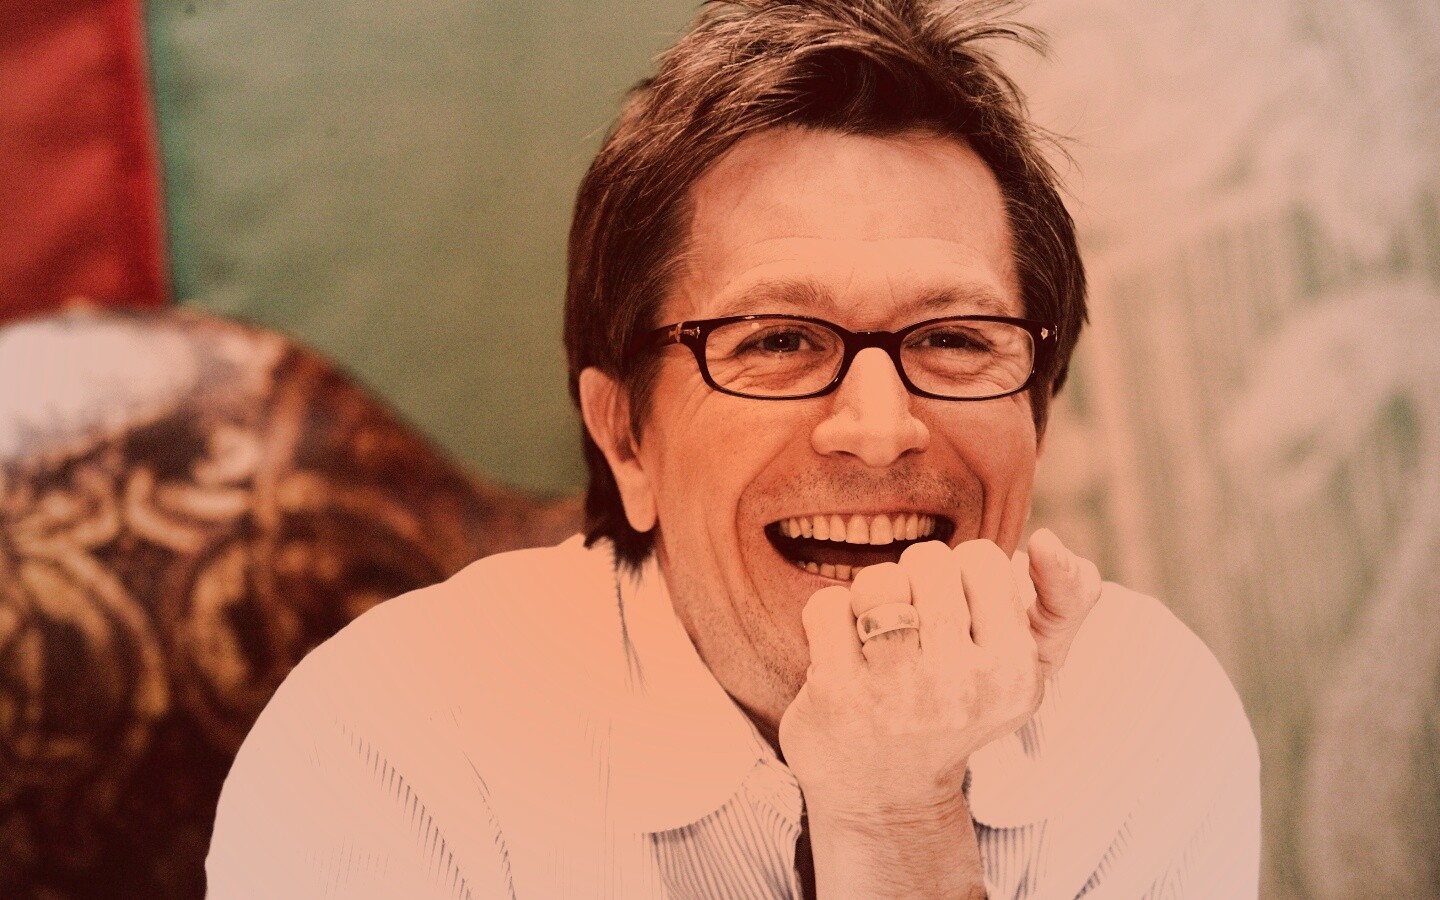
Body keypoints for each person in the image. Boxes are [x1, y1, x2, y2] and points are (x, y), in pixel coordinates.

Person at [206, 1, 1260, 896]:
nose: (880, 430)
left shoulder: (1142, 713)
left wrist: (901, 819)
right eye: (779, 342)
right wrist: (891, 819)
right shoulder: (385, 751)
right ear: (627, 439)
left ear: (1038, 409)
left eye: (954, 339)